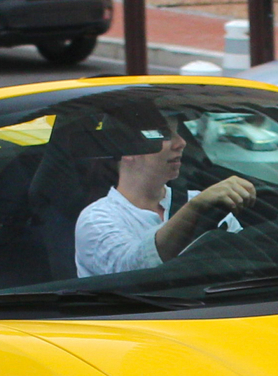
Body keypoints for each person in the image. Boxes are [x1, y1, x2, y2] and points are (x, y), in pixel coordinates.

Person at [73, 111, 255, 276]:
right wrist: (195, 210)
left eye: (178, 133)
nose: (181, 143)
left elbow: (245, 260)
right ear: (127, 148)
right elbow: (133, 271)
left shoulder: (203, 201)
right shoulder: (96, 219)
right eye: (164, 134)